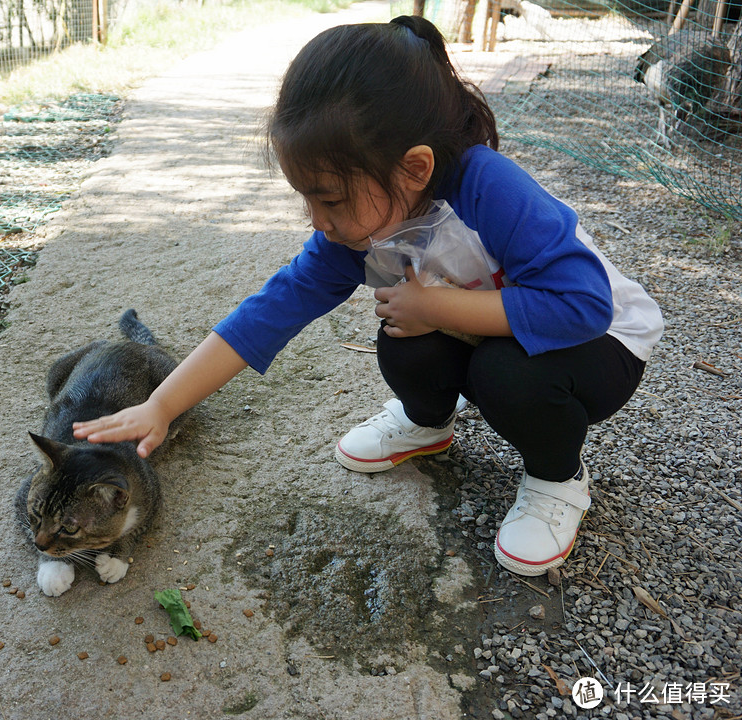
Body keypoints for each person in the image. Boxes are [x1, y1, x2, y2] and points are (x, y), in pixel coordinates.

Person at [73, 17, 663, 577]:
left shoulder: (489, 187)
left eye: (330, 199)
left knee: (502, 370)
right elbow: (268, 312)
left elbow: (582, 306)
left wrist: (435, 307)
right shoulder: (357, 229)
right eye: (307, 200)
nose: (319, 221)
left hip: (600, 345)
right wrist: (162, 405)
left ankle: (557, 478)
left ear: (413, 169)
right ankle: (428, 424)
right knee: (403, 339)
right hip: (494, 332)